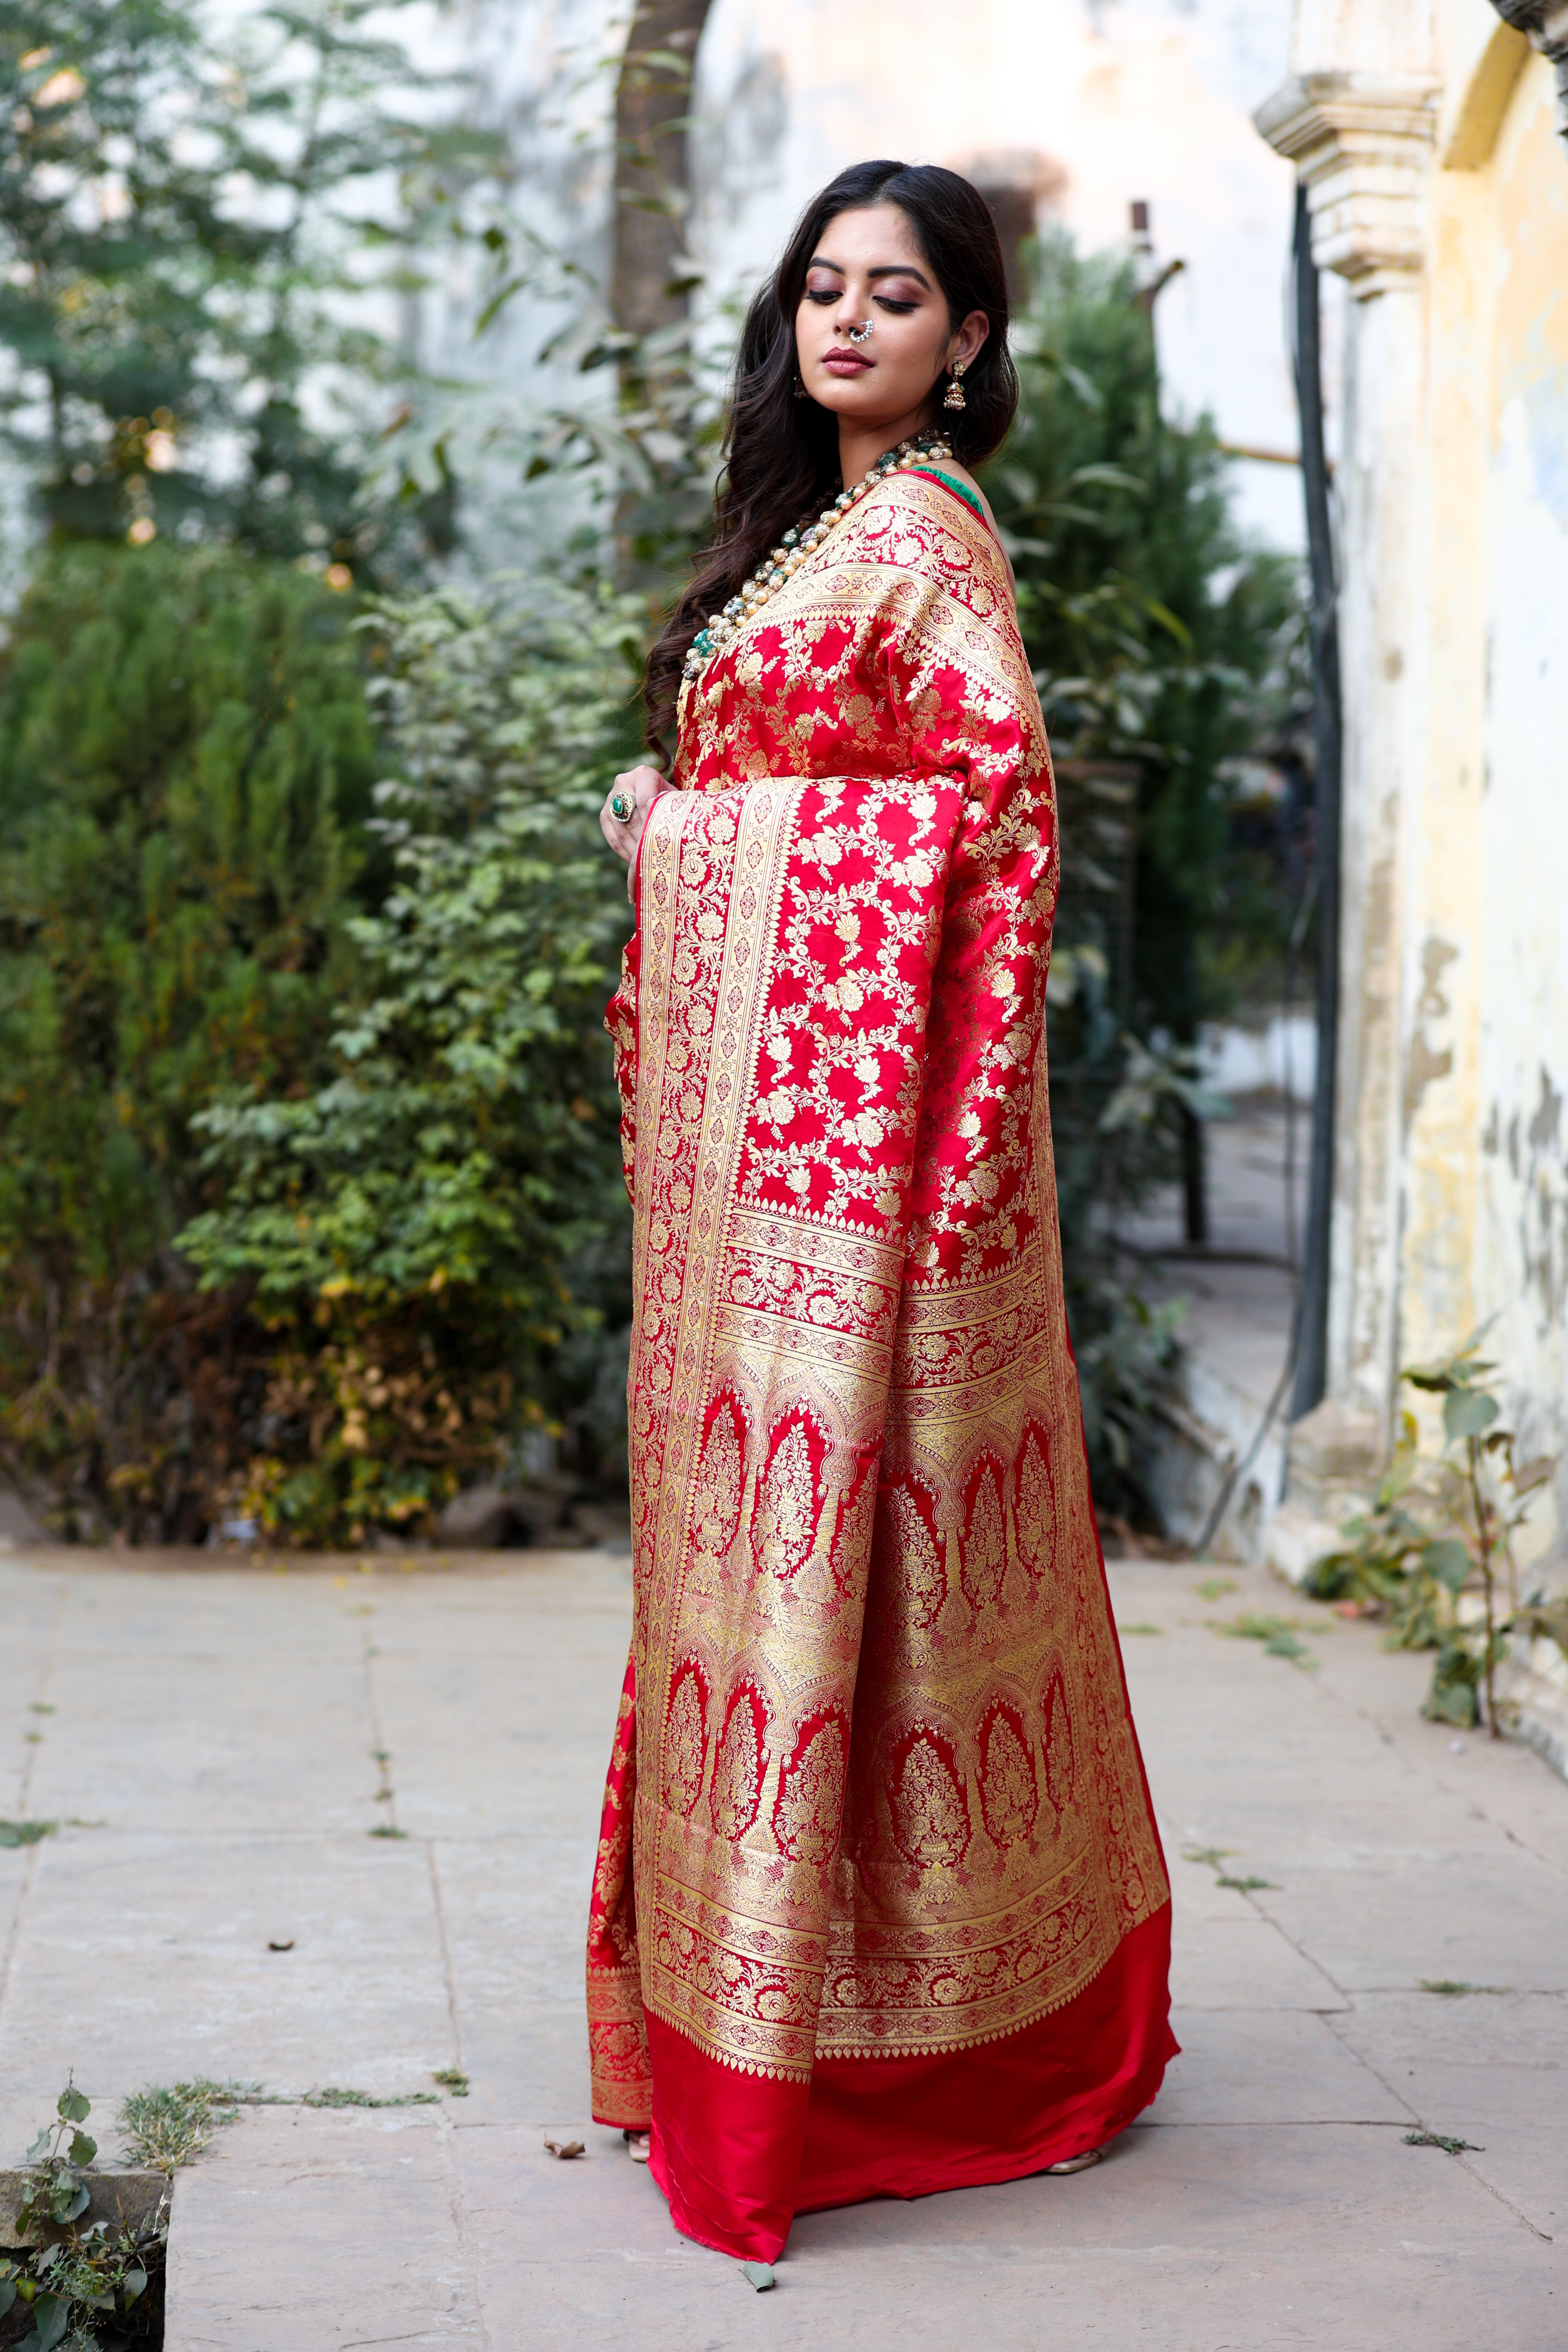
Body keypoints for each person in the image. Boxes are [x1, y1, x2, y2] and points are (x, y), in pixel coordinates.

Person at [587, 158, 1176, 2266]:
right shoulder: (812, 535)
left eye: (897, 294)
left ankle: (945, 2060)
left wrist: (686, 842)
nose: (848, 320)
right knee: (790, 1588)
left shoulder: (927, 540)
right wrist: (692, 836)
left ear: (968, 337)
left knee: (890, 1596)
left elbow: (990, 831)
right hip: (765, 1187)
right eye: (824, 287)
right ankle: (778, 2025)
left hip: (876, 1178)